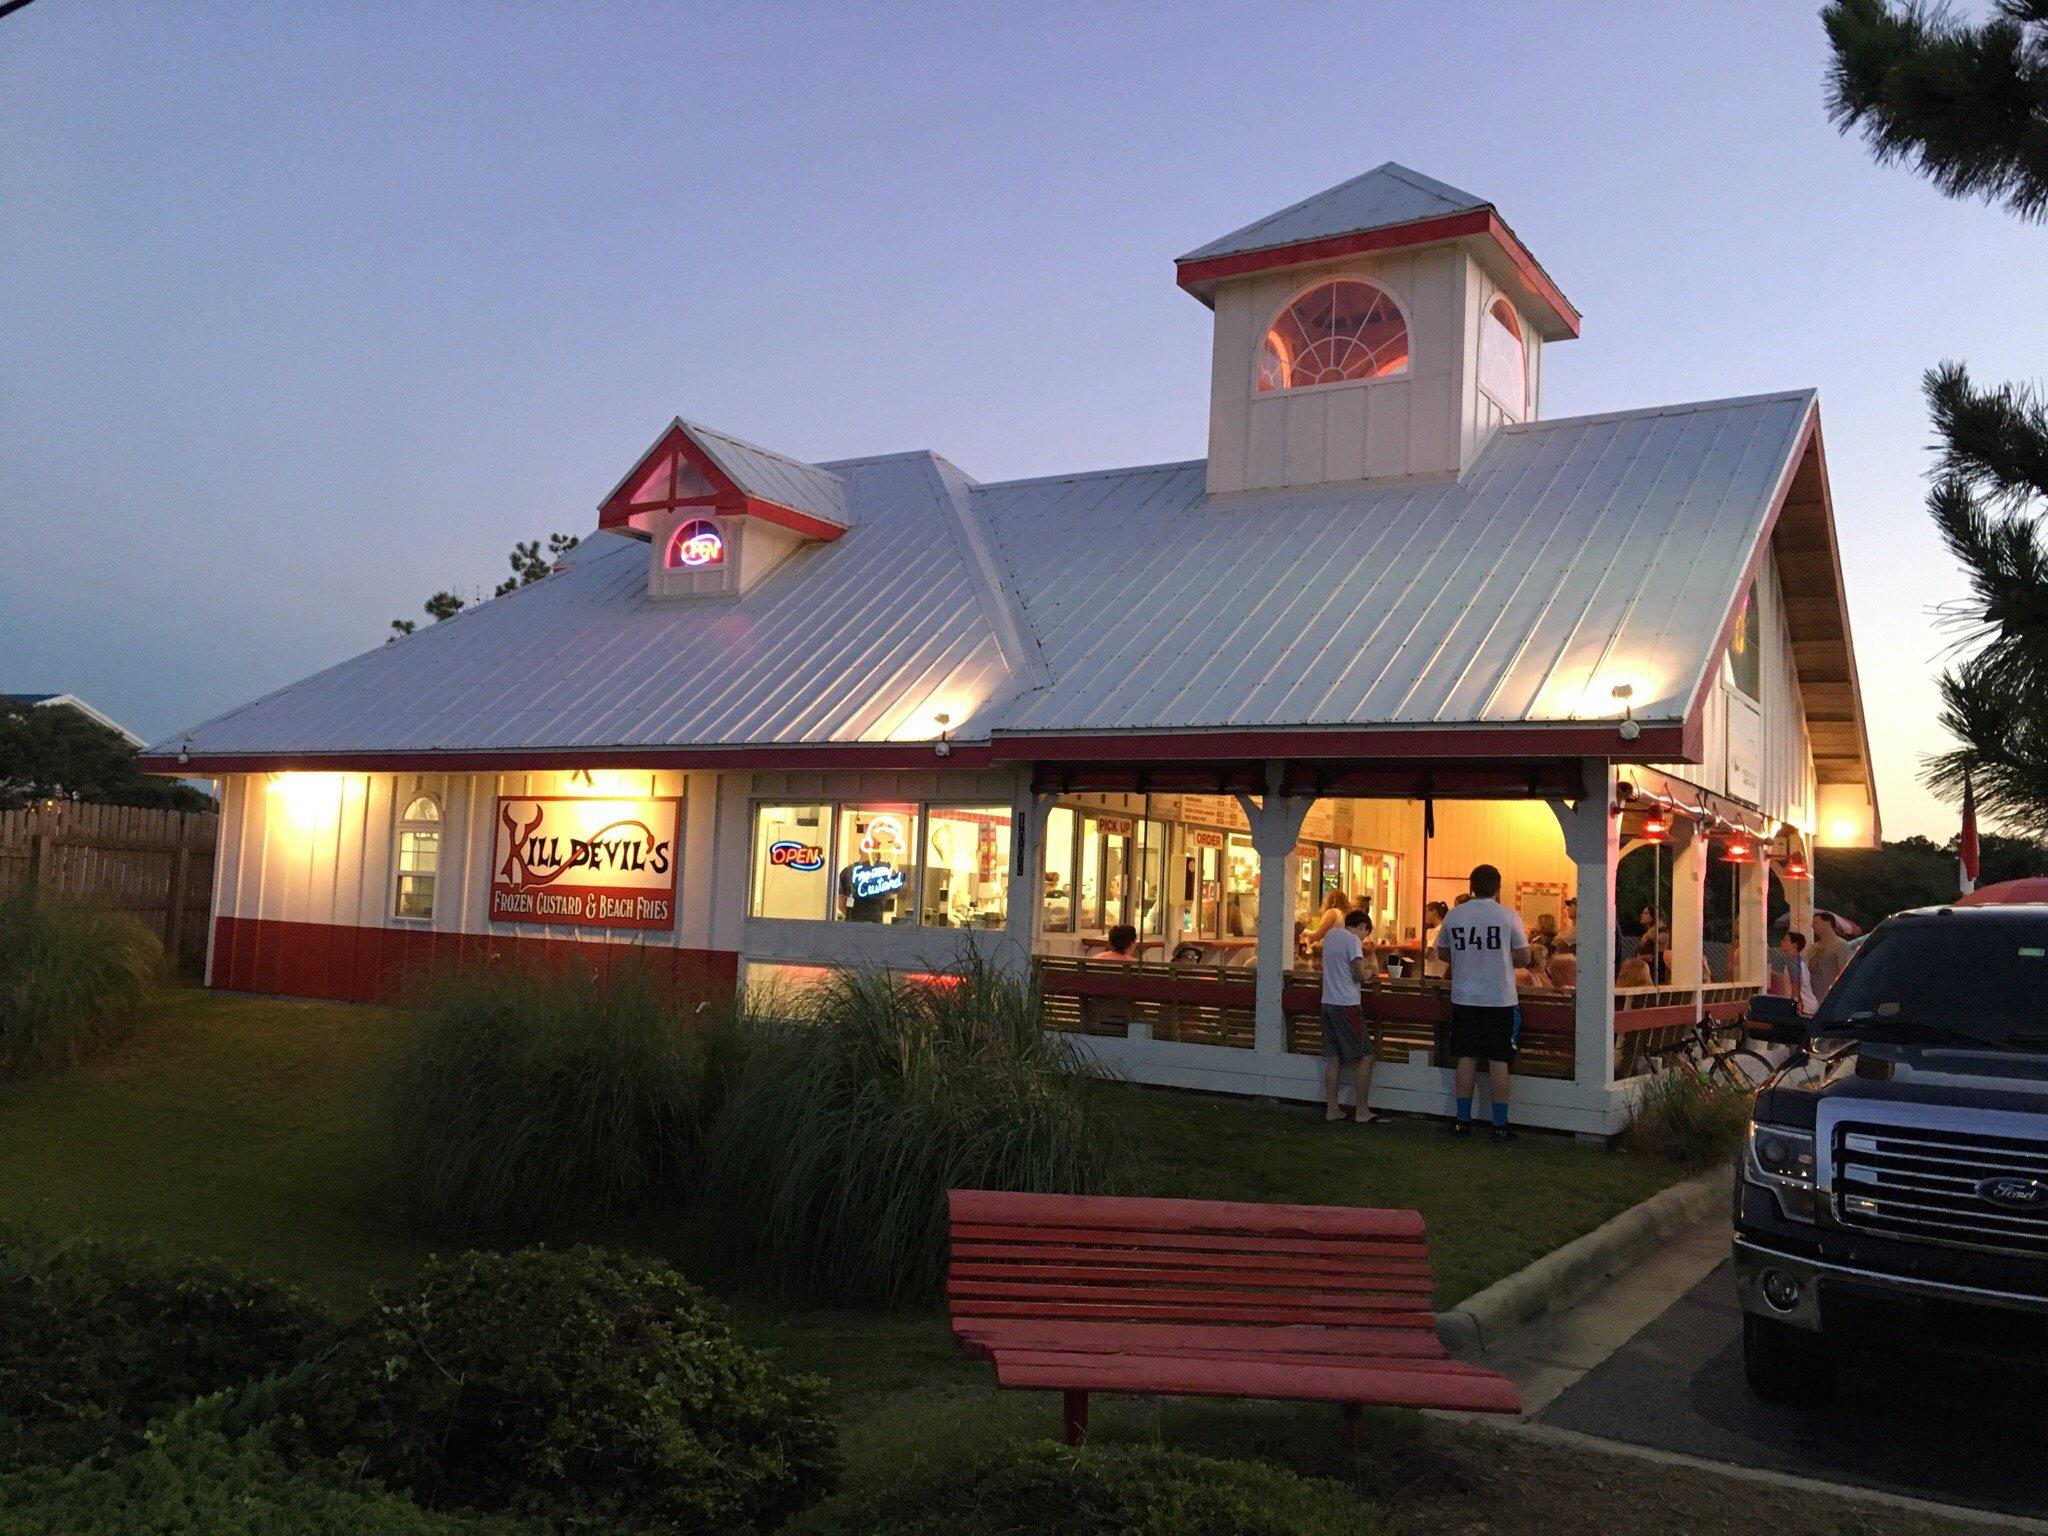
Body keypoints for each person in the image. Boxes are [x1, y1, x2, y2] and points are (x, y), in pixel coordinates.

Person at [1433, 865, 1531, 1142]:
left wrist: (1466, 961)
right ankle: (1499, 1125)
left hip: (1464, 997)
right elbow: (1524, 958)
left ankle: (1462, 1121)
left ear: (1470, 886)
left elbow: (1442, 952)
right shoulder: (1508, 916)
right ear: (1498, 888)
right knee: (1499, 1061)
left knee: (1466, 1057)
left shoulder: (1454, 915)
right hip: (1500, 998)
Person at [1320, 908, 1378, 1124]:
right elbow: (1359, 974)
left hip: (1328, 1002)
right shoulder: (1353, 940)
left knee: (1334, 1057)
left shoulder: (1331, 935)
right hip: (1347, 1004)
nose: (1364, 939)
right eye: (1366, 933)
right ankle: (1362, 1110)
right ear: (1362, 927)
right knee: (1365, 1056)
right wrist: (1371, 969)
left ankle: (1332, 1109)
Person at [1808, 911, 1853, 999]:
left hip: (1830, 995)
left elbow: (1844, 971)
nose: (1813, 926)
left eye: (1816, 922)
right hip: (1812, 995)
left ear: (1827, 923)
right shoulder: (1813, 947)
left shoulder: (1841, 945)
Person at [1772, 930, 1819, 1013]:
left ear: (1794, 945)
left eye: (1785, 940)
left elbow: (1796, 984)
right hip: (1809, 1005)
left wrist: (1795, 1004)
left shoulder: (1792, 963)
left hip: (1804, 1007)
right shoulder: (1801, 962)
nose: (1781, 942)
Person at [1420, 901, 1450, 979]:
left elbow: (1426, 953)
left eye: (1427, 912)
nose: (1425, 916)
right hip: (1440, 972)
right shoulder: (1444, 928)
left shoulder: (1436, 931)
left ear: (1434, 912)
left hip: (1432, 973)